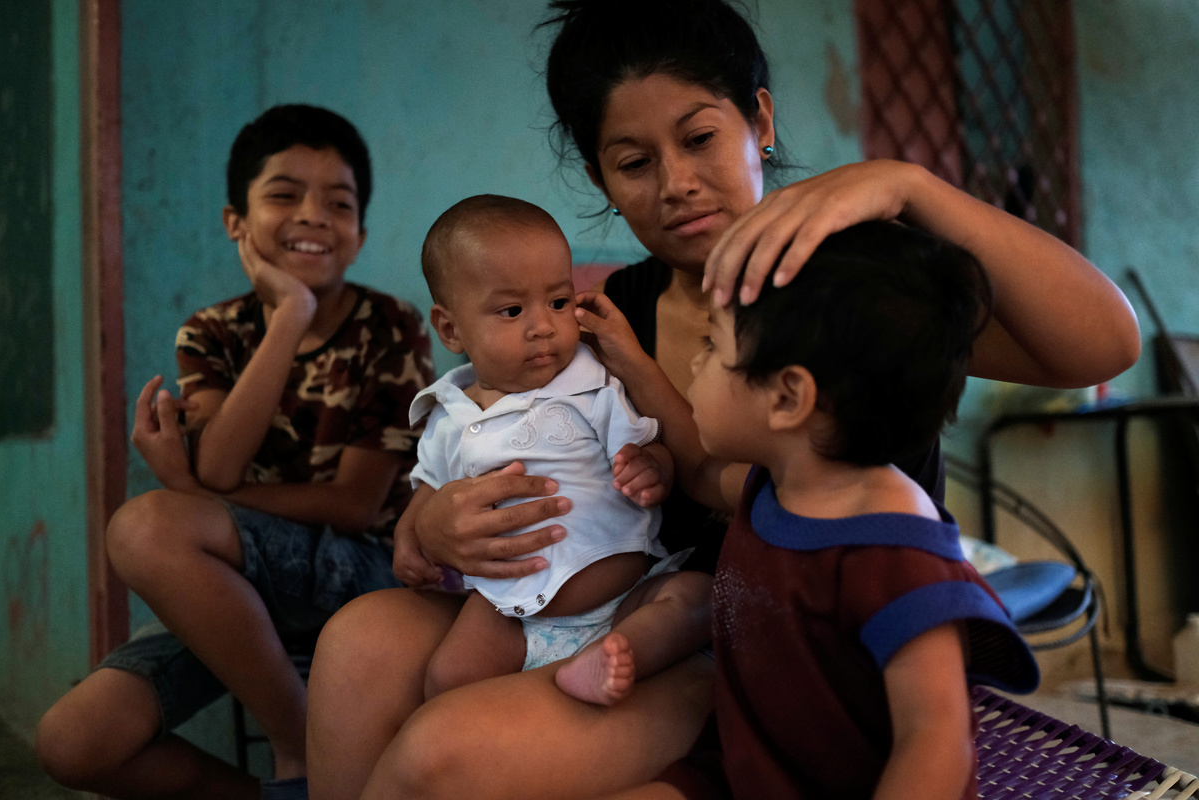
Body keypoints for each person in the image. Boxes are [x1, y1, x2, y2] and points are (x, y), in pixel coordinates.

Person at [305, 2, 1140, 798]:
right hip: (609, 605)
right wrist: (432, 522)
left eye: (700, 137)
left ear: (760, 121)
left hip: (757, 648)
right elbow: (500, 432)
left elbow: (1105, 345)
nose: (677, 183)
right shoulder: (599, 317)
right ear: (600, 175)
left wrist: (904, 185)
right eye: (634, 163)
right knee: (358, 646)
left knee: (440, 757)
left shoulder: (849, 293)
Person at [35, 104, 434, 800]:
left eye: (337, 203)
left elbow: (352, 503)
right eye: (284, 194)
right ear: (235, 223)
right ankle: (290, 771)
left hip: (366, 571)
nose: (312, 216)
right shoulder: (213, 332)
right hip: (247, 589)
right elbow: (222, 464)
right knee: (74, 743)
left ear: (360, 235)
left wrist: (195, 496)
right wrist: (290, 318)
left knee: (147, 527)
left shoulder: (389, 325)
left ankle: (297, 748)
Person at [585, 219, 1040, 798]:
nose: (695, 365)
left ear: (788, 397)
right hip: (740, 773)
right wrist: (631, 361)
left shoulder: (897, 555)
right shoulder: (777, 485)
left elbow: (938, 740)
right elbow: (698, 469)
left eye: (712, 346)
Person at [406, 194, 710, 706]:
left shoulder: (593, 385)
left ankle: (613, 655)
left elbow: (648, 447)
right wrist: (409, 534)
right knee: (447, 677)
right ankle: (502, 721)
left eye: (559, 303)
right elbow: (430, 486)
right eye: (512, 310)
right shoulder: (449, 411)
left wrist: (652, 469)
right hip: (509, 607)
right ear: (451, 329)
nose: (543, 326)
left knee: (695, 597)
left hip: (623, 594)